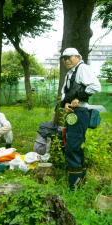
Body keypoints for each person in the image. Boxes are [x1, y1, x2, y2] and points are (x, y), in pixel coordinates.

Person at [60, 48, 101, 190]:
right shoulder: (69, 74)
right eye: (64, 58)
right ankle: (79, 180)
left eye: (69, 57)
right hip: (71, 112)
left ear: (78, 56)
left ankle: (75, 186)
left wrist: (79, 97)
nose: (66, 60)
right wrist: (65, 104)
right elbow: (64, 94)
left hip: (80, 111)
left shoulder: (82, 68)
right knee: (71, 143)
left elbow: (96, 86)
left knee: (73, 145)